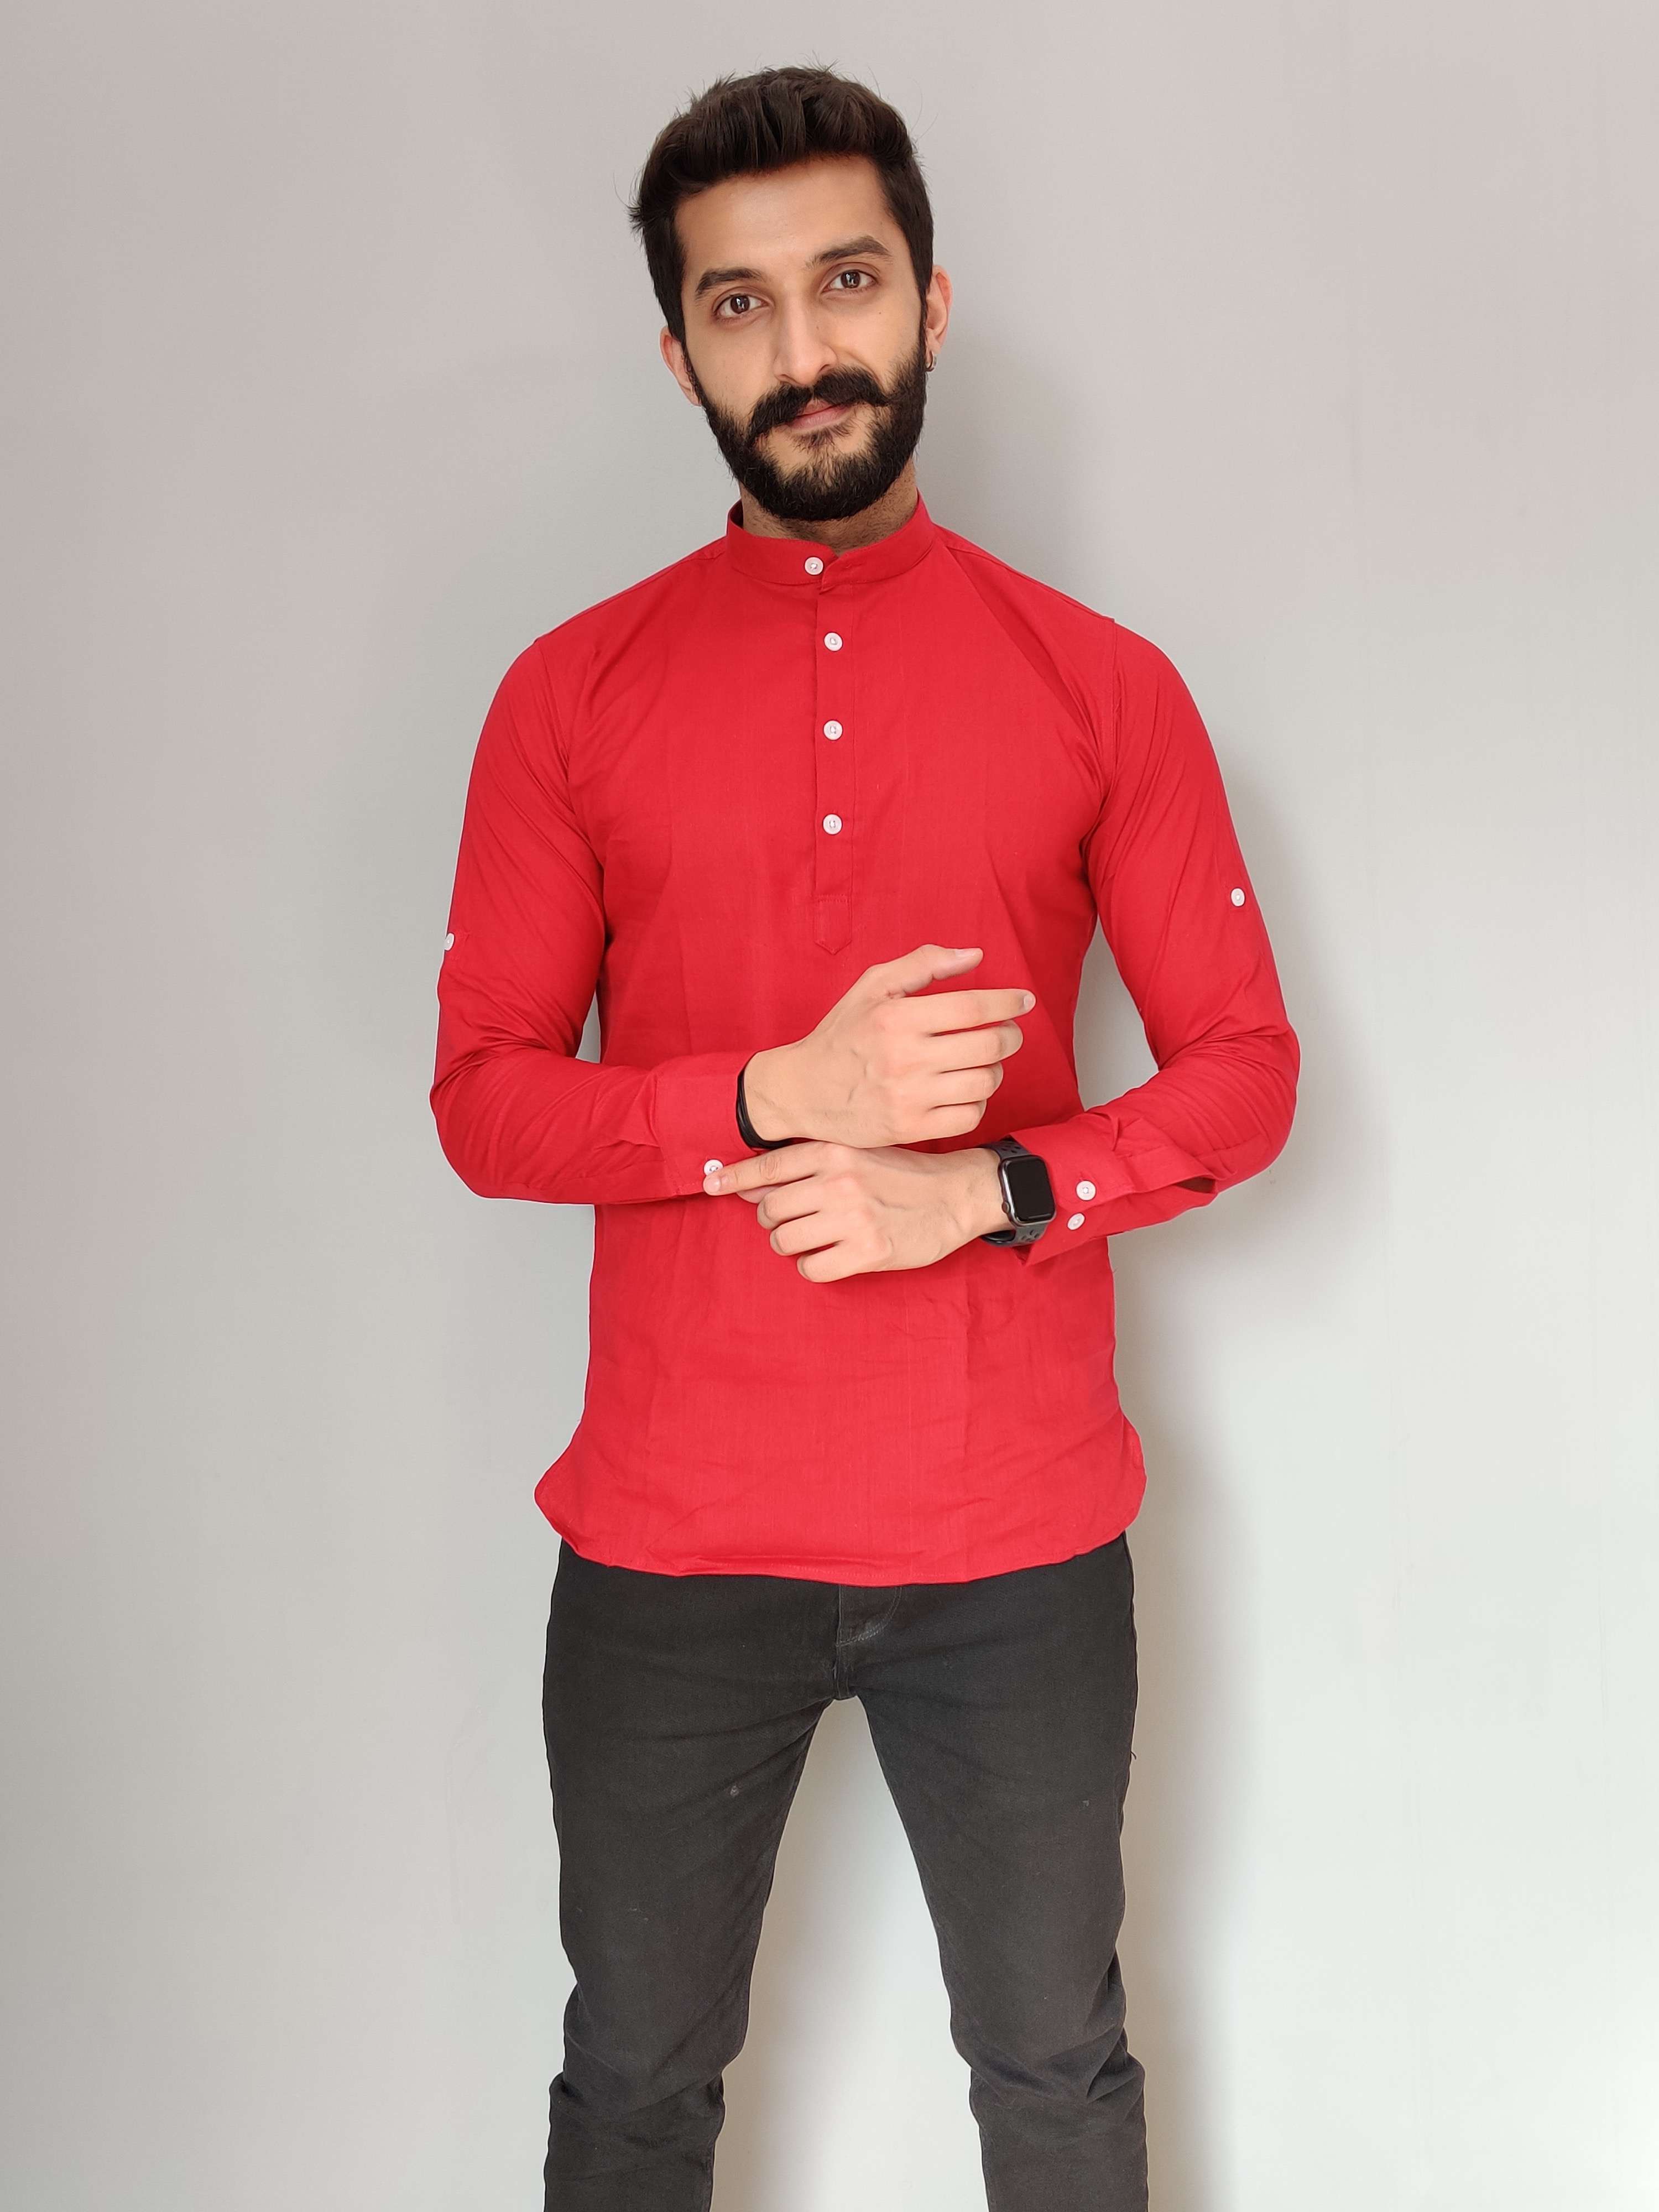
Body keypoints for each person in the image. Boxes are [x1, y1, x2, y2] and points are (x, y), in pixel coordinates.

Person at [431, 62, 1298, 2212]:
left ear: (930, 300)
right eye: (738, 305)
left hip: (1016, 1542)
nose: (802, 347)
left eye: (845, 282)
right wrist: (770, 1097)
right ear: (679, 351)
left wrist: (994, 1188)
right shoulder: (570, 695)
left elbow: (1242, 1068)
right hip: (667, 1548)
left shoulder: (1102, 685)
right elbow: (486, 1102)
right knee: (633, 2087)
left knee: (1057, 2067)